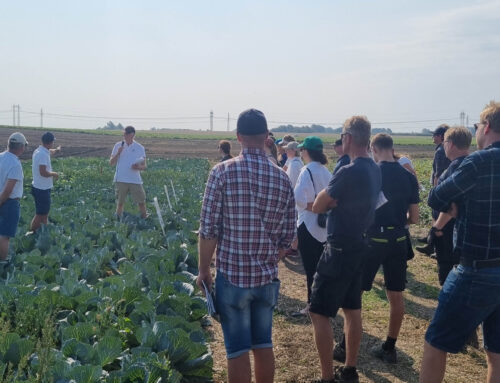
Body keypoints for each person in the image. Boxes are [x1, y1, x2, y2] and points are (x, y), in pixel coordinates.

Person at [197, 109, 296, 383]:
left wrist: (204, 270)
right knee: (263, 343)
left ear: (238, 136)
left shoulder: (222, 172)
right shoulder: (282, 178)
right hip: (266, 278)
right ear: (266, 137)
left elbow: (208, 230)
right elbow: (288, 238)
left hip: (233, 278)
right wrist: (269, 257)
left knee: (237, 349)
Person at [419, 101, 500, 383]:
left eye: (477, 126)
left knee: (435, 341)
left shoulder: (477, 162)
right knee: (497, 354)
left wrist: (457, 206)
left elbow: (435, 198)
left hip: (476, 269)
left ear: (486, 127)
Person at [311, 116, 381, 383]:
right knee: (353, 311)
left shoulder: (348, 171)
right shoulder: (374, 169)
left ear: (348, 138)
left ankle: (327, 377)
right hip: (361, 245)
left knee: (319, 311)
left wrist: (330, 202)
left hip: (339, 248)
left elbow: (318, 204)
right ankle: (350, 370)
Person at [360, 133, 419, 364]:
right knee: (396, 294)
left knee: (357, 291)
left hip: (373, 239)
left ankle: (346, 343)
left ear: (373, 149)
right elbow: (414, 218)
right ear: (391, 148)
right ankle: (389, 346)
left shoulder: (371, 173)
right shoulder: (408, 175)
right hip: (398, 239)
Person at [427, 127, 472, 286]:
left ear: (450, 144)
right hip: (465, 231)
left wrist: (437, 227)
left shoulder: (455, 167)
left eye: (444, 142)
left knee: (447, 272)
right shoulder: (471, 164)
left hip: (447, 229)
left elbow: (447, 203)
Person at [294, 136, 331, 314]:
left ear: (307, 151)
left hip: (308, 224)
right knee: (321, 267)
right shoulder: (327, 171)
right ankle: (322, 301)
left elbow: (299, 199)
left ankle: (311, 304)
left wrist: (314, 207)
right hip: (325, 226)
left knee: (310, 268)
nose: (301, 152)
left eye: (302, 150)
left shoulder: (306, 170)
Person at [417, 125, 451, 256]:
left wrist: (436, 192)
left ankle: (434, 246)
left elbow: (438, 173)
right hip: (447, 187)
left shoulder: (440, 151)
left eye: (435, 134)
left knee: (436, 217)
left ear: (441, 136)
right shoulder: (445, 149)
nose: (433, 137)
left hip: (440, 188)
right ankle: (431, 241)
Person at [0, 133, 28, 262]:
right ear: (21, 147)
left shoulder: (1, 157)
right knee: (4, 236)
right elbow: (7, 191)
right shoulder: (15, 164)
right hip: (8, 202)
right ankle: (2, 263)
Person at [109, 126, 147, 219]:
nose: (123, 136)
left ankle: (145, 218)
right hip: (121, 179)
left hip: (135, 180)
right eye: (123, 134)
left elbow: (144, 166)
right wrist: (118, 153)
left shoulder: (139, 148)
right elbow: (111, 163)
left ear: (132, 135)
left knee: (141, 201)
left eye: (125, 134)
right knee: (120, 203)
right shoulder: (118, 145)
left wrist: (138, 167)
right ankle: (117, 219)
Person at [30, 132, 61, 232]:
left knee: (44, 213)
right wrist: (54, 174)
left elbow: (50, 151)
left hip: (40, 187)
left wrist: (56, 150)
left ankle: (43, 232)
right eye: (53, 142)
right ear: (50, 142)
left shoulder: (39, 150)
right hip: (41, 189)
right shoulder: (43, 155)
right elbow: (43, 172)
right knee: (40, 214)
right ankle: (32, 232)